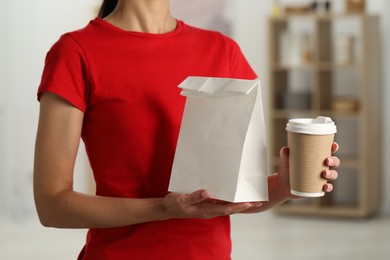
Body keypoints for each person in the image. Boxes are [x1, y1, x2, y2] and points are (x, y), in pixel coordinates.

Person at [33, 0, 341, 259]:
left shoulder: (222, 51)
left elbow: (233, 194)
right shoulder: (75, 52)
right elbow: (53, 206)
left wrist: (284, 186)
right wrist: (162, 208)